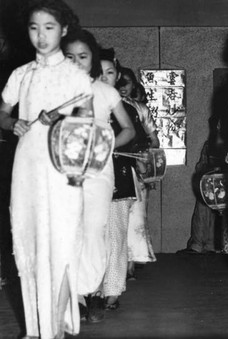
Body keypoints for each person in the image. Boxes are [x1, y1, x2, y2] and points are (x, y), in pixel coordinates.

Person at [0, 0, 93, 337]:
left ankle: (53, 326)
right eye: (34, 28)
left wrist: (62, 121)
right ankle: (35, 328)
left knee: (63, 243)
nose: (41, 36)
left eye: (49, 27)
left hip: (63, 169)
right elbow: (2, 111)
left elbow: (88, 125)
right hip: (27, 167)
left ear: (64, 30)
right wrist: (13, 123)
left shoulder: (75, 76)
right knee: (30, 241)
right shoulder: (20, 74)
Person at [62, 29, 135, 323]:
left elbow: (128, 129)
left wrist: (105, 147)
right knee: (71, 232)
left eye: (83, 56)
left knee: (93, 231)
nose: (77, 62)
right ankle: (76, 297)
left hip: (99, 173)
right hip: (65, 172)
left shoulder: (107, 92)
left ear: (92, 58)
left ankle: (90, 290)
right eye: (70, 56)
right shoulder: (54, 91)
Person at [99, 48, 138, 311]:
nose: (104, 78)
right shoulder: (80, 104)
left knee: (115, 236)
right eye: (98, 73)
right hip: (88, 181)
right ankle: (89, 288)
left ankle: (112, 290)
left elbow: (137, 139)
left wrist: (107, 145)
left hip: (119, 180)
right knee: (92, 237)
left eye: (110, 73)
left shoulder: (126, 109)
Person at [117, 67, 158, 279]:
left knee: (136, 217)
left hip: (137, 169)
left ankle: (131, 264)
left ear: (134, 84)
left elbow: (154, 140)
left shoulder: (140, 109)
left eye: (128, 82)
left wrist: (144, 154)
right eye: (119, 81)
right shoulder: (108, 107)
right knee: (116, 217)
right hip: (114, 168)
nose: (123, 86)